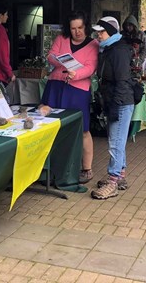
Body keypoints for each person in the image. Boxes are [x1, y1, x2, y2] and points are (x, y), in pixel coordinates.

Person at [42, 11, 99, 184]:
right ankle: (50, 166)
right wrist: (62, 62)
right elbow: (50, 55)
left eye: (80, 27)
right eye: (73, 28)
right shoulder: (61, 39)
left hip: (78, 90)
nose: (77, 32)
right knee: (48, 124)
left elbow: (91, 68)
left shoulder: (93, 44)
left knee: (82, 129)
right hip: (56, 85)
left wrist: (76, 73)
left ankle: (86, 169)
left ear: (86, 26)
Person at [90, 16, 134, 200]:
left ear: (111, 32)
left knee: (115, 142)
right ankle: (120, 176)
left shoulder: (118, 51)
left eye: (102, 32)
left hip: (121, 102)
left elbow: (122, 81)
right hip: (114, 100)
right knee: (118, 140)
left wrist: (115, 105)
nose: (98, 35)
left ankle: (113, 181)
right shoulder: (109, 49)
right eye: (98, 32)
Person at [122, 15, 146, 80]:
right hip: (125, 62)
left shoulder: (141, 34)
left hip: (137, 63)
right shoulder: (122, 34)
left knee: (137, 81)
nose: (128, 27)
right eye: (127, 25)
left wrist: (139, 60)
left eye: (130, 25)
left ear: (134, 25)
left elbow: (145, 49)